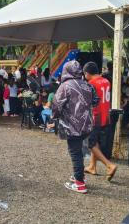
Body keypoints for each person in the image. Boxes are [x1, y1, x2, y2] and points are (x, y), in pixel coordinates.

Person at [52, 61, 93, 194]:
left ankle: (80, 184)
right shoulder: (87, 85)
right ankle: (79, 176)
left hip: (72, 126)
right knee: (79, 151)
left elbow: (57, 105)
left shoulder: (65, 86)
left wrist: (55, 116)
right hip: (86, 124)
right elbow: (96, 100)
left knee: (75, 153)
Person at [83, 62, 117, 181]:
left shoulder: (90, 84)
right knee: (95, 140)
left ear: (87, 73)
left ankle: (109, 165)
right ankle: (92, 167)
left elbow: (87, 101)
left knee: (91, 143)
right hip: (106, 115)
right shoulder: (106, 81)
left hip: (95, 116)